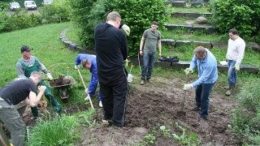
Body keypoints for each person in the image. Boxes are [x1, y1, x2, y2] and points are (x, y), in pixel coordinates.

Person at [94, 11, 128, 127]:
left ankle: (108, 118)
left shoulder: (97, 30)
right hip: (116, 71)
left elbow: (106, 26)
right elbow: (124, 55)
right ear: (118, 20)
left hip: (102, 71)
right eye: (120, 22)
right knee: (119, 95)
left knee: (106, 95)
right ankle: (117, 122)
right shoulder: (119, 34)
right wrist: (121, 28)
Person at [0, 72, 46, 146]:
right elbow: (33, 104)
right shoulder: (31, 84)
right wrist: (41, 92)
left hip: (2, 101)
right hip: (3, 104)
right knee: (19, 128)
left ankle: (10, 138)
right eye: (39, 82)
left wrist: (39, 102)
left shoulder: (23, 82)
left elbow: (27, 101)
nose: (38, 84)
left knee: (11, 128)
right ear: (37, 78)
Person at [16, 45, 61, 118]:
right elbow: (21, 76)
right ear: (24, 53)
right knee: (32, 100)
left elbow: (41, 66)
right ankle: (36, 116)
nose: (30, 52)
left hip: (39, 81)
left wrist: (47, 73)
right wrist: (30, 81)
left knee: (48, 93)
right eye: (28, 51)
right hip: (29, 84)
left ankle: (58, 109)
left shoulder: (34, 59)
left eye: (30, 51)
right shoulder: (19, 64)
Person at [183, 46, 218, 120]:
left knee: (204, 97)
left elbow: (204, 78)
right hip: (201, 76)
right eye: (196, 56)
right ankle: (198, 106)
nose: (196, 58)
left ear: (203, 55)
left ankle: (204, 114)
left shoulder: (210, 62)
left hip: (209, 80)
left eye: (198, 57)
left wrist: (191, 85)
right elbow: (193, 61)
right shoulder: (198, 53)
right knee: (198, 92)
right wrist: (191, 68)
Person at [225, 28, 246, 96]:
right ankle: (231, 85)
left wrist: (237, 64)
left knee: (230, 74)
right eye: (229, 35)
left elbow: (241, 55)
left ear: (236, 35)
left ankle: (230, 89)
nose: (230, 37)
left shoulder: (241, 42)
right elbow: (229, 49)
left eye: (231, 35)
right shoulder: (230, 40)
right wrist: (227, 57)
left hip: (235, 60)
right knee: (232, 73)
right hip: (229, 59)